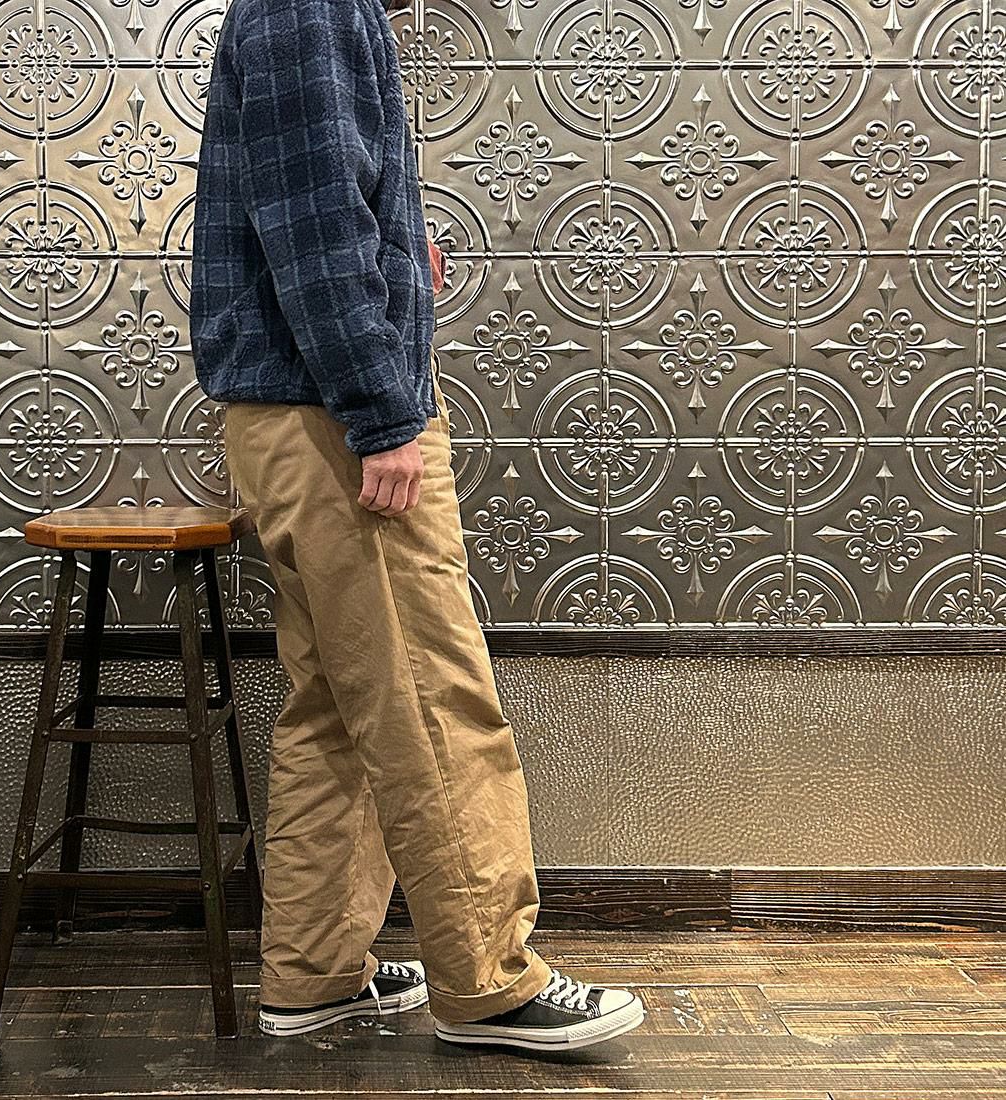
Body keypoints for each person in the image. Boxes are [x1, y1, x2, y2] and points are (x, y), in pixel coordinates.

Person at [189, 0, 646, 1052]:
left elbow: (319, 204)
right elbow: (314, 227)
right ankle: (490, 982)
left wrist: (399, 254)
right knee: (432, 698)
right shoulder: (309, 5)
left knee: (337, 709)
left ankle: (313, 975)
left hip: (295, 413)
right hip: (332, 419)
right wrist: (383, 411)